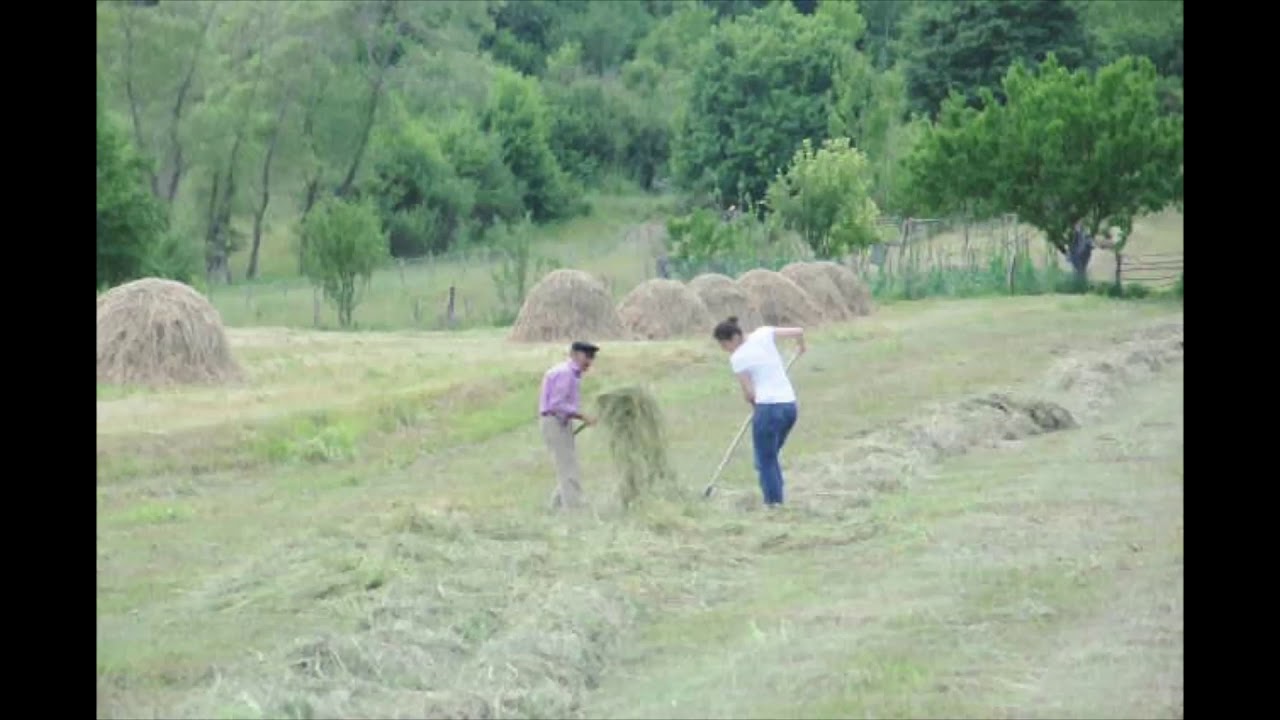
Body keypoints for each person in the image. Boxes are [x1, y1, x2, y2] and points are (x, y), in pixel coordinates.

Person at [712, 317, 806, 507]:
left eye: (725, 344)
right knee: (767, 458)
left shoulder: (738, 358)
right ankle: (776, 495)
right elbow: (799, 331)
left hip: (769, 409)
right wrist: (801, 347)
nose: (725, 349)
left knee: (765, 460)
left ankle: (774, 504)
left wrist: (753, 404)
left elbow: (750, 393)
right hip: (789, 407)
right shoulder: (763, 333)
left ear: (735, 338)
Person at [538, 341, 599, 510]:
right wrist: (582, 416)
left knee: (567, 466)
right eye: (588, 356)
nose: (590, 362)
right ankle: (574, 512)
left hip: (560, 422)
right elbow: (557, 404)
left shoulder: (569, 373)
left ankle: (554, 507)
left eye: (592, 357)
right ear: (576, 354)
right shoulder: (566, 374)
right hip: (554, 422)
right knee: (568, 468)